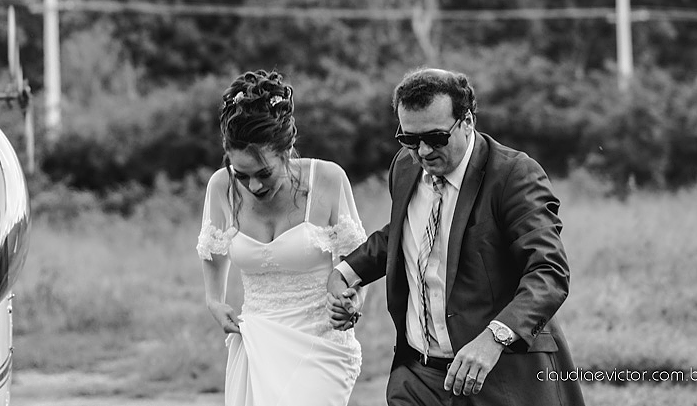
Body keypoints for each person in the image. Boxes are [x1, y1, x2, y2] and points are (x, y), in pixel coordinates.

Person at [326, 68, 584, 406]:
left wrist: (494, 338)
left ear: (467, 121)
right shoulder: (404, 168)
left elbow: (549, 272)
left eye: (435, 138)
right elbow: (404, 232)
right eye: (409, 140)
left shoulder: (513, 175)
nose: (422, 152)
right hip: (417, 377)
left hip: (497, 377)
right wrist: (346, 273)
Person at [197, 69, 367, 406]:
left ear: (287, 150)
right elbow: (213, 249)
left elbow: (357, 262)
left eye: (264, 174)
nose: (254, 186)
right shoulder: (221, 186)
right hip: (257, 340)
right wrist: (214, 300)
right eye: (242, 175)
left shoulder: (328, 180)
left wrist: (352, 303)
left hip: (319, 345)